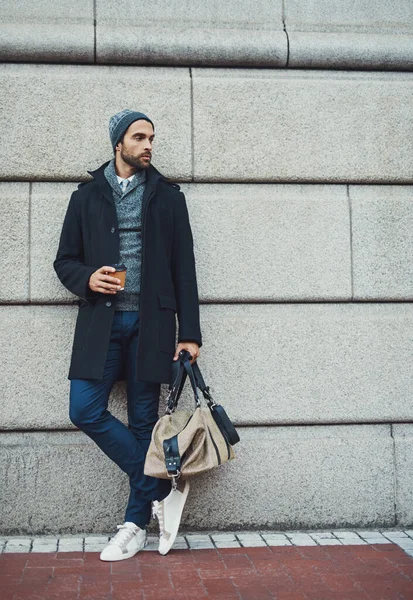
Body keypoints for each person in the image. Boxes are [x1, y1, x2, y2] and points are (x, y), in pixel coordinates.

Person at [53, 109, 202, 560]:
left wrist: (189, 333)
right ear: (118, 143)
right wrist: (86, 278)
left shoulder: (169, 197)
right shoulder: (86, 197)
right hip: (102, 323)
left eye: (152, 137)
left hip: (152, 325)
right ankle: (158, 485)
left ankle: (135, 524)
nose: (148, 144)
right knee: (84, 409)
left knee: (143, 423)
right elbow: (64, 260)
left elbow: (185, 270)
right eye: (139, 137)